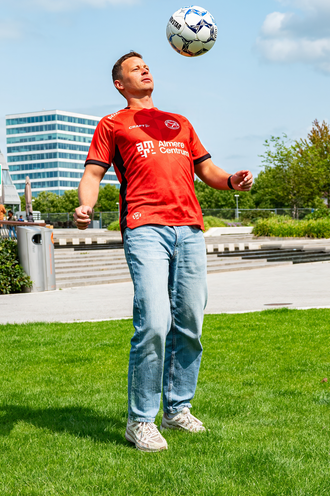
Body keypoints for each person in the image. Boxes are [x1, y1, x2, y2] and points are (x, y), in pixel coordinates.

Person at [73, 51, 253, 453]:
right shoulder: (112, 124)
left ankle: (177, 409)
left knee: (189, 322)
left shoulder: (180, 123)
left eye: (146, 65)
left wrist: (232, 180)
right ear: (119, 84)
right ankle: (141, 420)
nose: (145, 69)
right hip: (144, 228)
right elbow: (93, 173)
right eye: (134, 68)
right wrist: (86, 206)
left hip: (189, 229)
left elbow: (207, 170)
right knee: (154, 322)